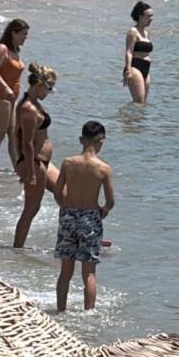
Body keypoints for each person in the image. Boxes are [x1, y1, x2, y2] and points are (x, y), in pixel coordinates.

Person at [51, 121, 114, 312]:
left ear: (81, 139)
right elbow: (110, 201)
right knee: (89, 273)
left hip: (69, 215)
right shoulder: (103, 168)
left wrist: (66, 207)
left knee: (65, 272)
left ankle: (60, 311)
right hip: (90, 218)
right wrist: (102, 212)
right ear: (101, 141)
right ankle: (88, 314)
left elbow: (57, 192)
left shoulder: (68, 163)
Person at [13, 64, 59, 248]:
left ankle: (76, 238)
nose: (50, 92)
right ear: (39, 85)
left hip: (43, 162)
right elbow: (26, 143)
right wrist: (30, 173)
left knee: (65, 194)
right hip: (34, 163)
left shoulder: (35, 103)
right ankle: (17, 249)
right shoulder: (28, 108)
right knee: (31, 209)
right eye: (49, 88)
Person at [0, 19, 27, 172]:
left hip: (12, 100)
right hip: (1, 98)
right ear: (13, 33)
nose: (25, 37)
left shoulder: (16, 51)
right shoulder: (3, 48)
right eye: (23, 34)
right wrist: (5, 88)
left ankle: (18, 172)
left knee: (13, 136)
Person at [123, 1, 154, 105]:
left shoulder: (146, 33)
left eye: (152, 16)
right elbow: (129, 52)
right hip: (135, 67)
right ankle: (126, 115)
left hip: (146, 68)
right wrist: (128, 71)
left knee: (143, 103)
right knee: (138, 102)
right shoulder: (133, 32)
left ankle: (132, 116)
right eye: (149, 16)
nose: (151, 18)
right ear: (140, 17)